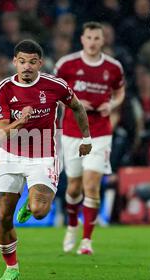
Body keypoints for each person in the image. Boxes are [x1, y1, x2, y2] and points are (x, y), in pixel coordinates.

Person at [0, 39, 92, 280]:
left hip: (43, 157)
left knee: (38, 212)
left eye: (32, 62)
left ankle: (30, 202)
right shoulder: (3, 89)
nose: (27, 67)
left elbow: (78, 107)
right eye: (22, 61)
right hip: (10, 156)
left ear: (41, 63)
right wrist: (21, 121)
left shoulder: (55, 86)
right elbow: (1, 132)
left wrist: (86, 137)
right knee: (4, 217)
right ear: (14, 62)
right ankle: (11, 267)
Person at [54, 22, 125, 255]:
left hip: (100, 132)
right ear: (82, 39)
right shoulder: (66, 65)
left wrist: (111, 104)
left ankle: (86, 241)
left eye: (97, 38)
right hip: (73, 132)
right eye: (89, 38)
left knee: (91, 184)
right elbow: (54, 93)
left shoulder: (113, 67)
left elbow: (119, 91)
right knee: (73, 187)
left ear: (102, 41)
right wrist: (73, 102)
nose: (93, 42)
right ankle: (72, 225)